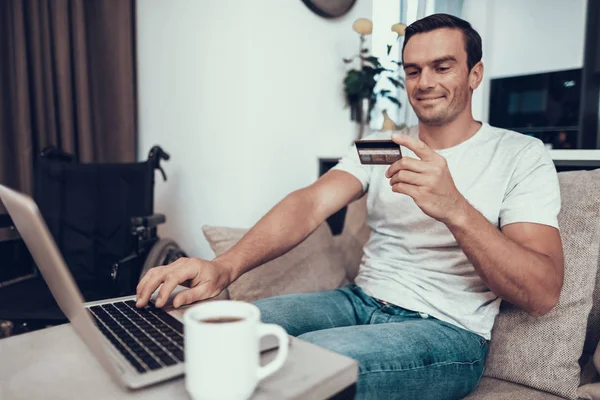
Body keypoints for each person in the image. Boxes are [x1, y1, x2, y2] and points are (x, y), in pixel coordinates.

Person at [136, 13, 564, 400]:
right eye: (413, 70)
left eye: (442, 66)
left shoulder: (521, 155)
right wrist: (224, 267)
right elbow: (310, 203)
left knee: (301, 367)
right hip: (359, 300)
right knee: (216, 331)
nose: (425, 82)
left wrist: (455, 209)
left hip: (448, 331)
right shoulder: (383, 146)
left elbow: (542, 291)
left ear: (475, 74)